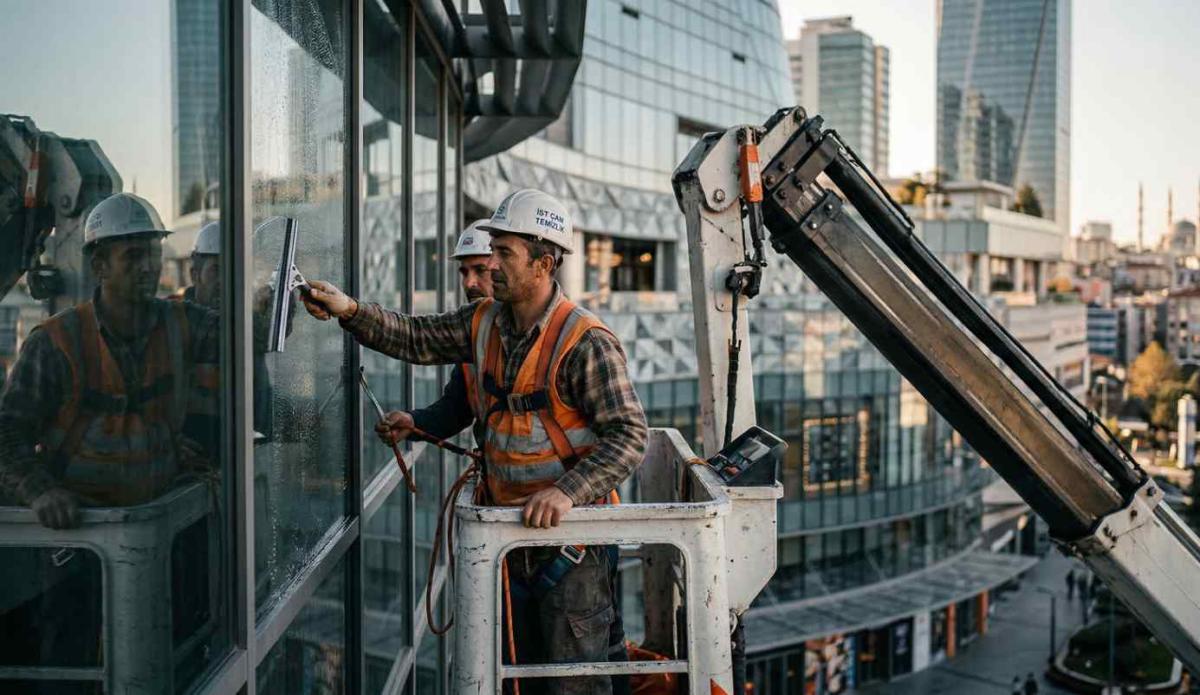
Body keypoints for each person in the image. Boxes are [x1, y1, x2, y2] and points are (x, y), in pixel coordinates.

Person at [303, 188, 648, 695]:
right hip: (509, 534)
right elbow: (414, 336)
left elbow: (630, 435)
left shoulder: (584, 342)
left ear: (543, 264)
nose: (492, 263)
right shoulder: (483, 322)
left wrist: (567, 491)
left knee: (574, 683)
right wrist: (349, 309)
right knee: (521, 676)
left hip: (570, 545)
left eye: (504, 252)